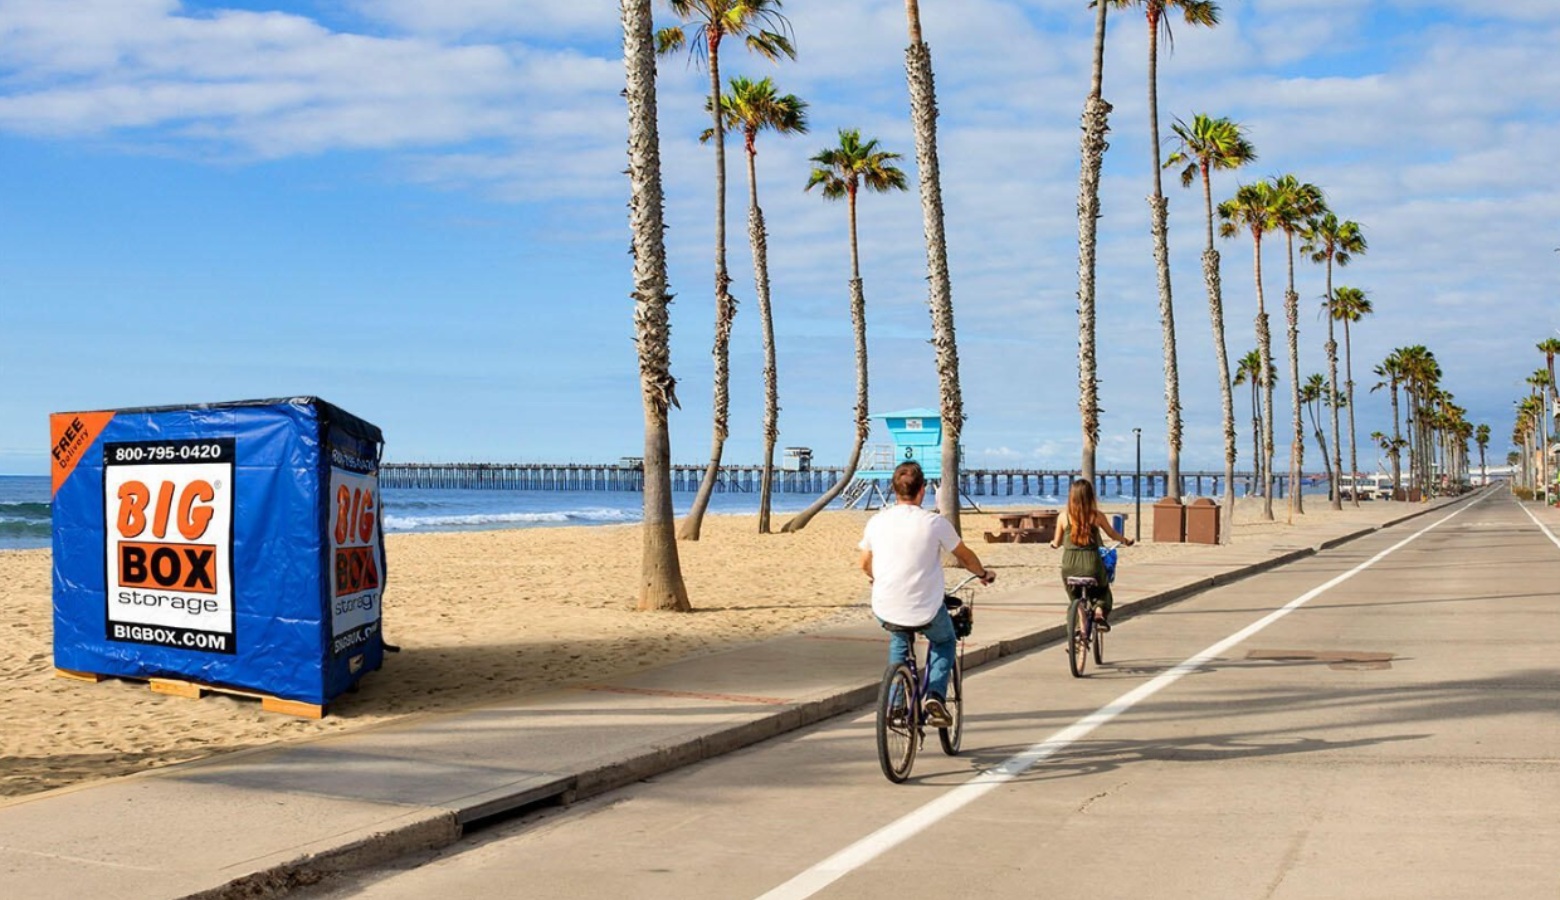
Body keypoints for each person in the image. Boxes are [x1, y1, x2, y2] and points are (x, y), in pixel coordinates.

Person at [859, 461, 994, 727]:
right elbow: (965, 557)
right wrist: (982, 574)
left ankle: (897, 707)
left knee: (899, 641)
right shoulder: (934, 523)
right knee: (945, 641)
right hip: (926, 609)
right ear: (922, 490)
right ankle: (935, 696)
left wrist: (877, 578)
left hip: (885, 606)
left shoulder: (877, 521)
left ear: (894, 490)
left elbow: (864, 563)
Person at [1050, 478, 1134, 630]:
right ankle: (1099, 610)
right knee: (1103, 590)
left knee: (1074, 598)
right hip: (1092, 566)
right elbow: (1113, 534)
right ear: (1091, 497)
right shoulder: (1097, 516)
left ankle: (1077, 629)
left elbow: (1056, 542)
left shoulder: (1063, 517)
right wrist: (1126, 540)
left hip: (1070, 566)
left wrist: (1053, 544)